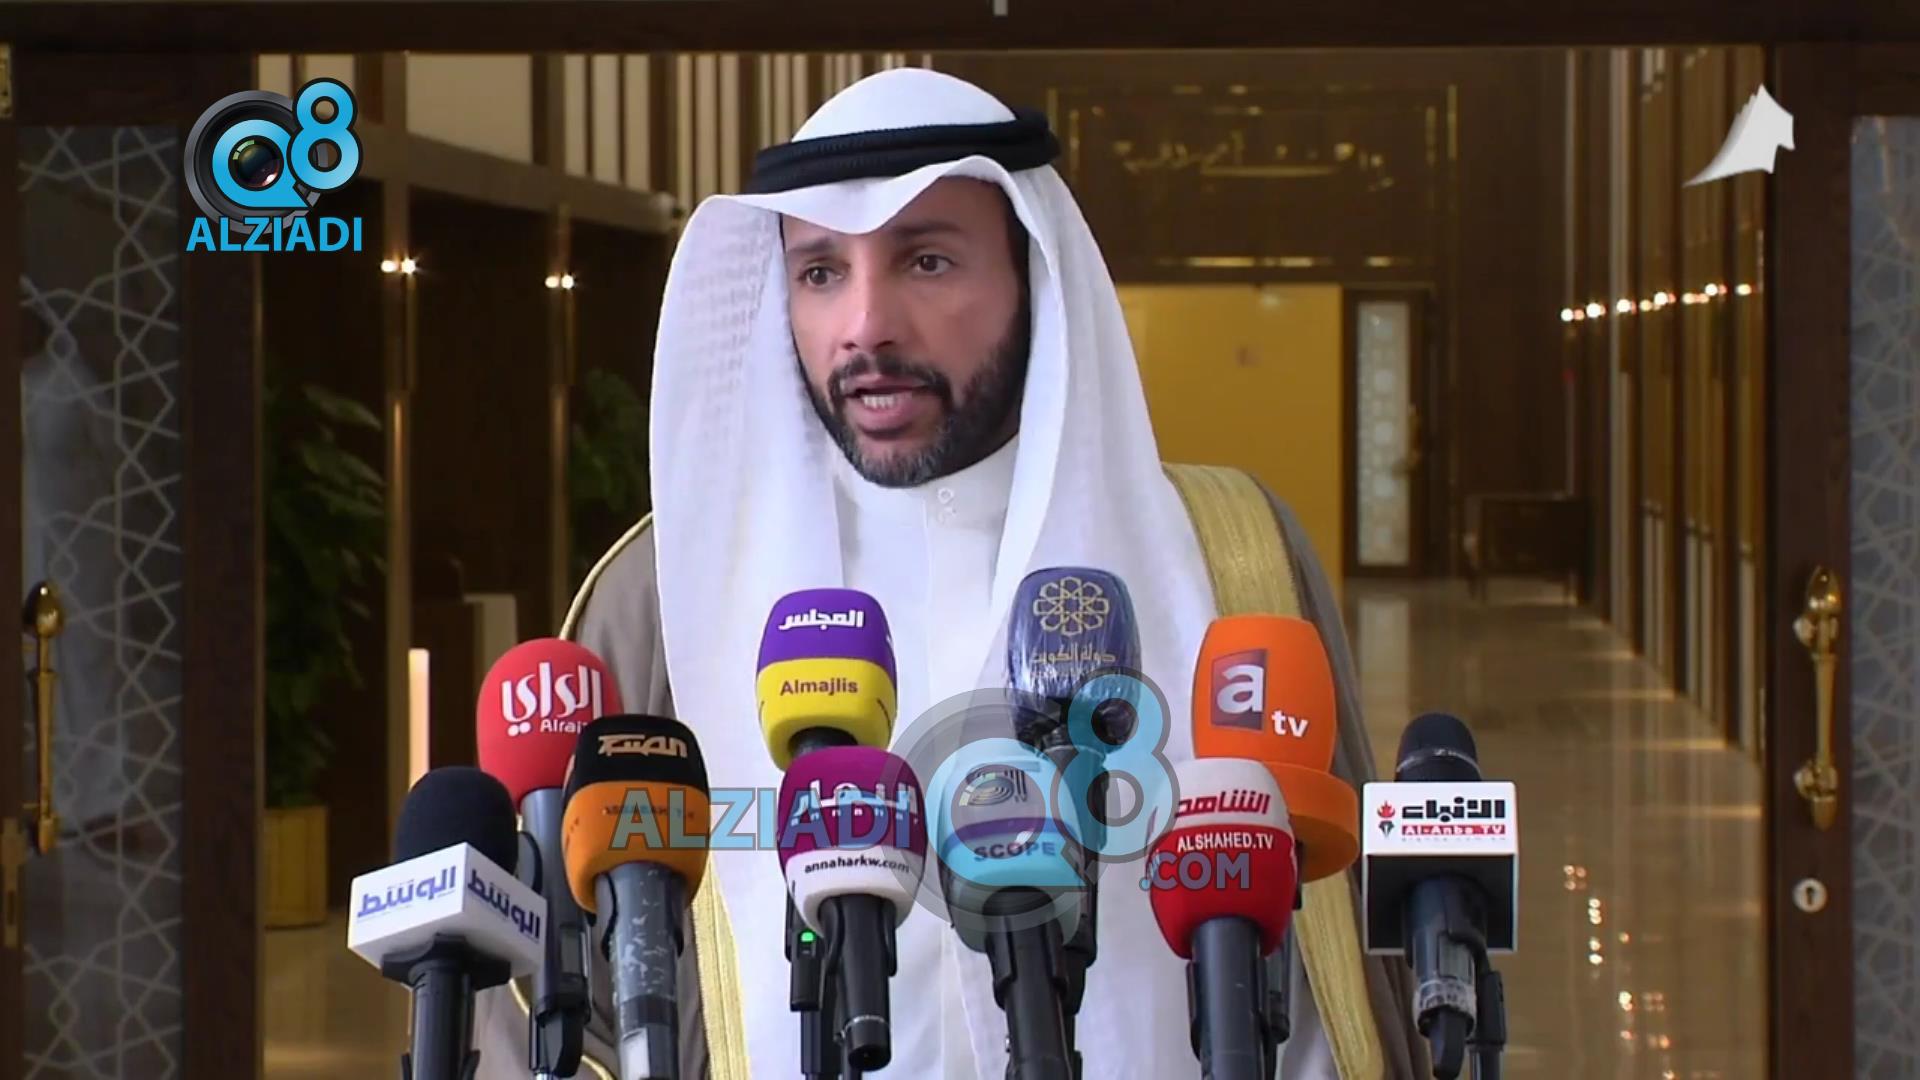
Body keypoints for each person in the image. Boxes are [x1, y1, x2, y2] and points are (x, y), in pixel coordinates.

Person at [475, 67, 1426, 1079]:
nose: (866, 326)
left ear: (1034, 275)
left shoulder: (1233, 548)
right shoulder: (663, 588)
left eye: (926, 261)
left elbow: (1346, 951)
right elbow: (559, 981)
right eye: (820, 273)